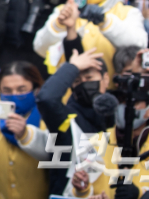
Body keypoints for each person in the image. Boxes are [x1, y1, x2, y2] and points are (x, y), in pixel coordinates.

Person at [34, 0, 147, 78]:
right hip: (68, 92)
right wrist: (58, 25)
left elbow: (140, 44)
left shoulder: (127, 12)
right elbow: (40, 48)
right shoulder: (63, 10)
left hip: (109, 89)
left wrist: (106, 22)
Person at [64, 86, 149, 198]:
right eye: (120, 101)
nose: (124, 107)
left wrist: (140, 194)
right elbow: (71, 192)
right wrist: (83, 191)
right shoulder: (95, 142)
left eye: (133, 102)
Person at [0, 61, 50, 199]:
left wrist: (25, 135)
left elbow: (54, 156)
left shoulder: (48, 110)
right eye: (7, 91)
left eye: (22, 89)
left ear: (36, 89)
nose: (14, 95)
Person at [36, 48, 112, 195]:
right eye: (77, 81)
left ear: (106, 79)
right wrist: (72, 67)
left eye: (89, 78)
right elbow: (47, 99)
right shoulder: (66, 117)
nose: (84, 84)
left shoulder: (118, 113)